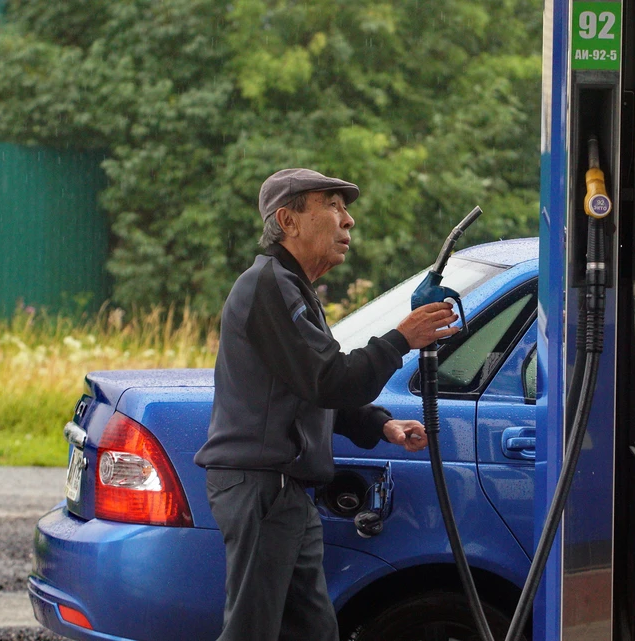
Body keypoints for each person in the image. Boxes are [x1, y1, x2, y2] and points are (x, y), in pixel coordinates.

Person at [194, 168, 459, 641]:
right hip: (262, 488)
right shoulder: (270, 285)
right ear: (288, 221)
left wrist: (380, 425)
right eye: (332, 206)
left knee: (311, 630)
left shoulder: (291, 288)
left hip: (285, 491)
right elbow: (327, 380)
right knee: (252, 630)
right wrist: (402, 337)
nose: (348, 220)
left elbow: (309, 389)